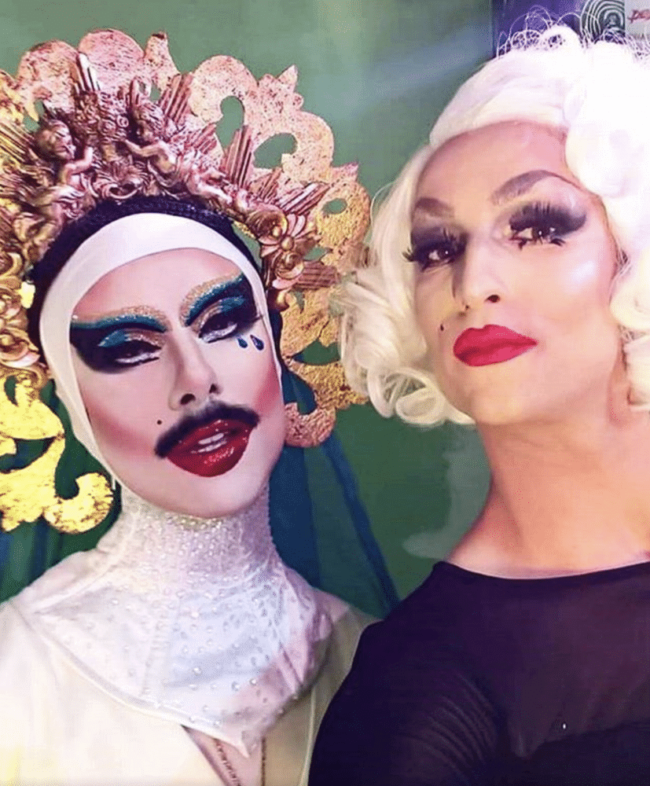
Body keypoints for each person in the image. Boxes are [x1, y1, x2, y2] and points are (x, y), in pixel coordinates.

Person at [0, 29, 394, 785]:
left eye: (223, 322)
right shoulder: (16, 680)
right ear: (72, 405)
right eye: (127, 348)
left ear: (279, 346)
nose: (197, 378)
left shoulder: (376, 657)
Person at [309, 25, 650, 785]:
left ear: (636, 251)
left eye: (538, 228)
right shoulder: (413, 699)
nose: (473, 284)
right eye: (439, 248)